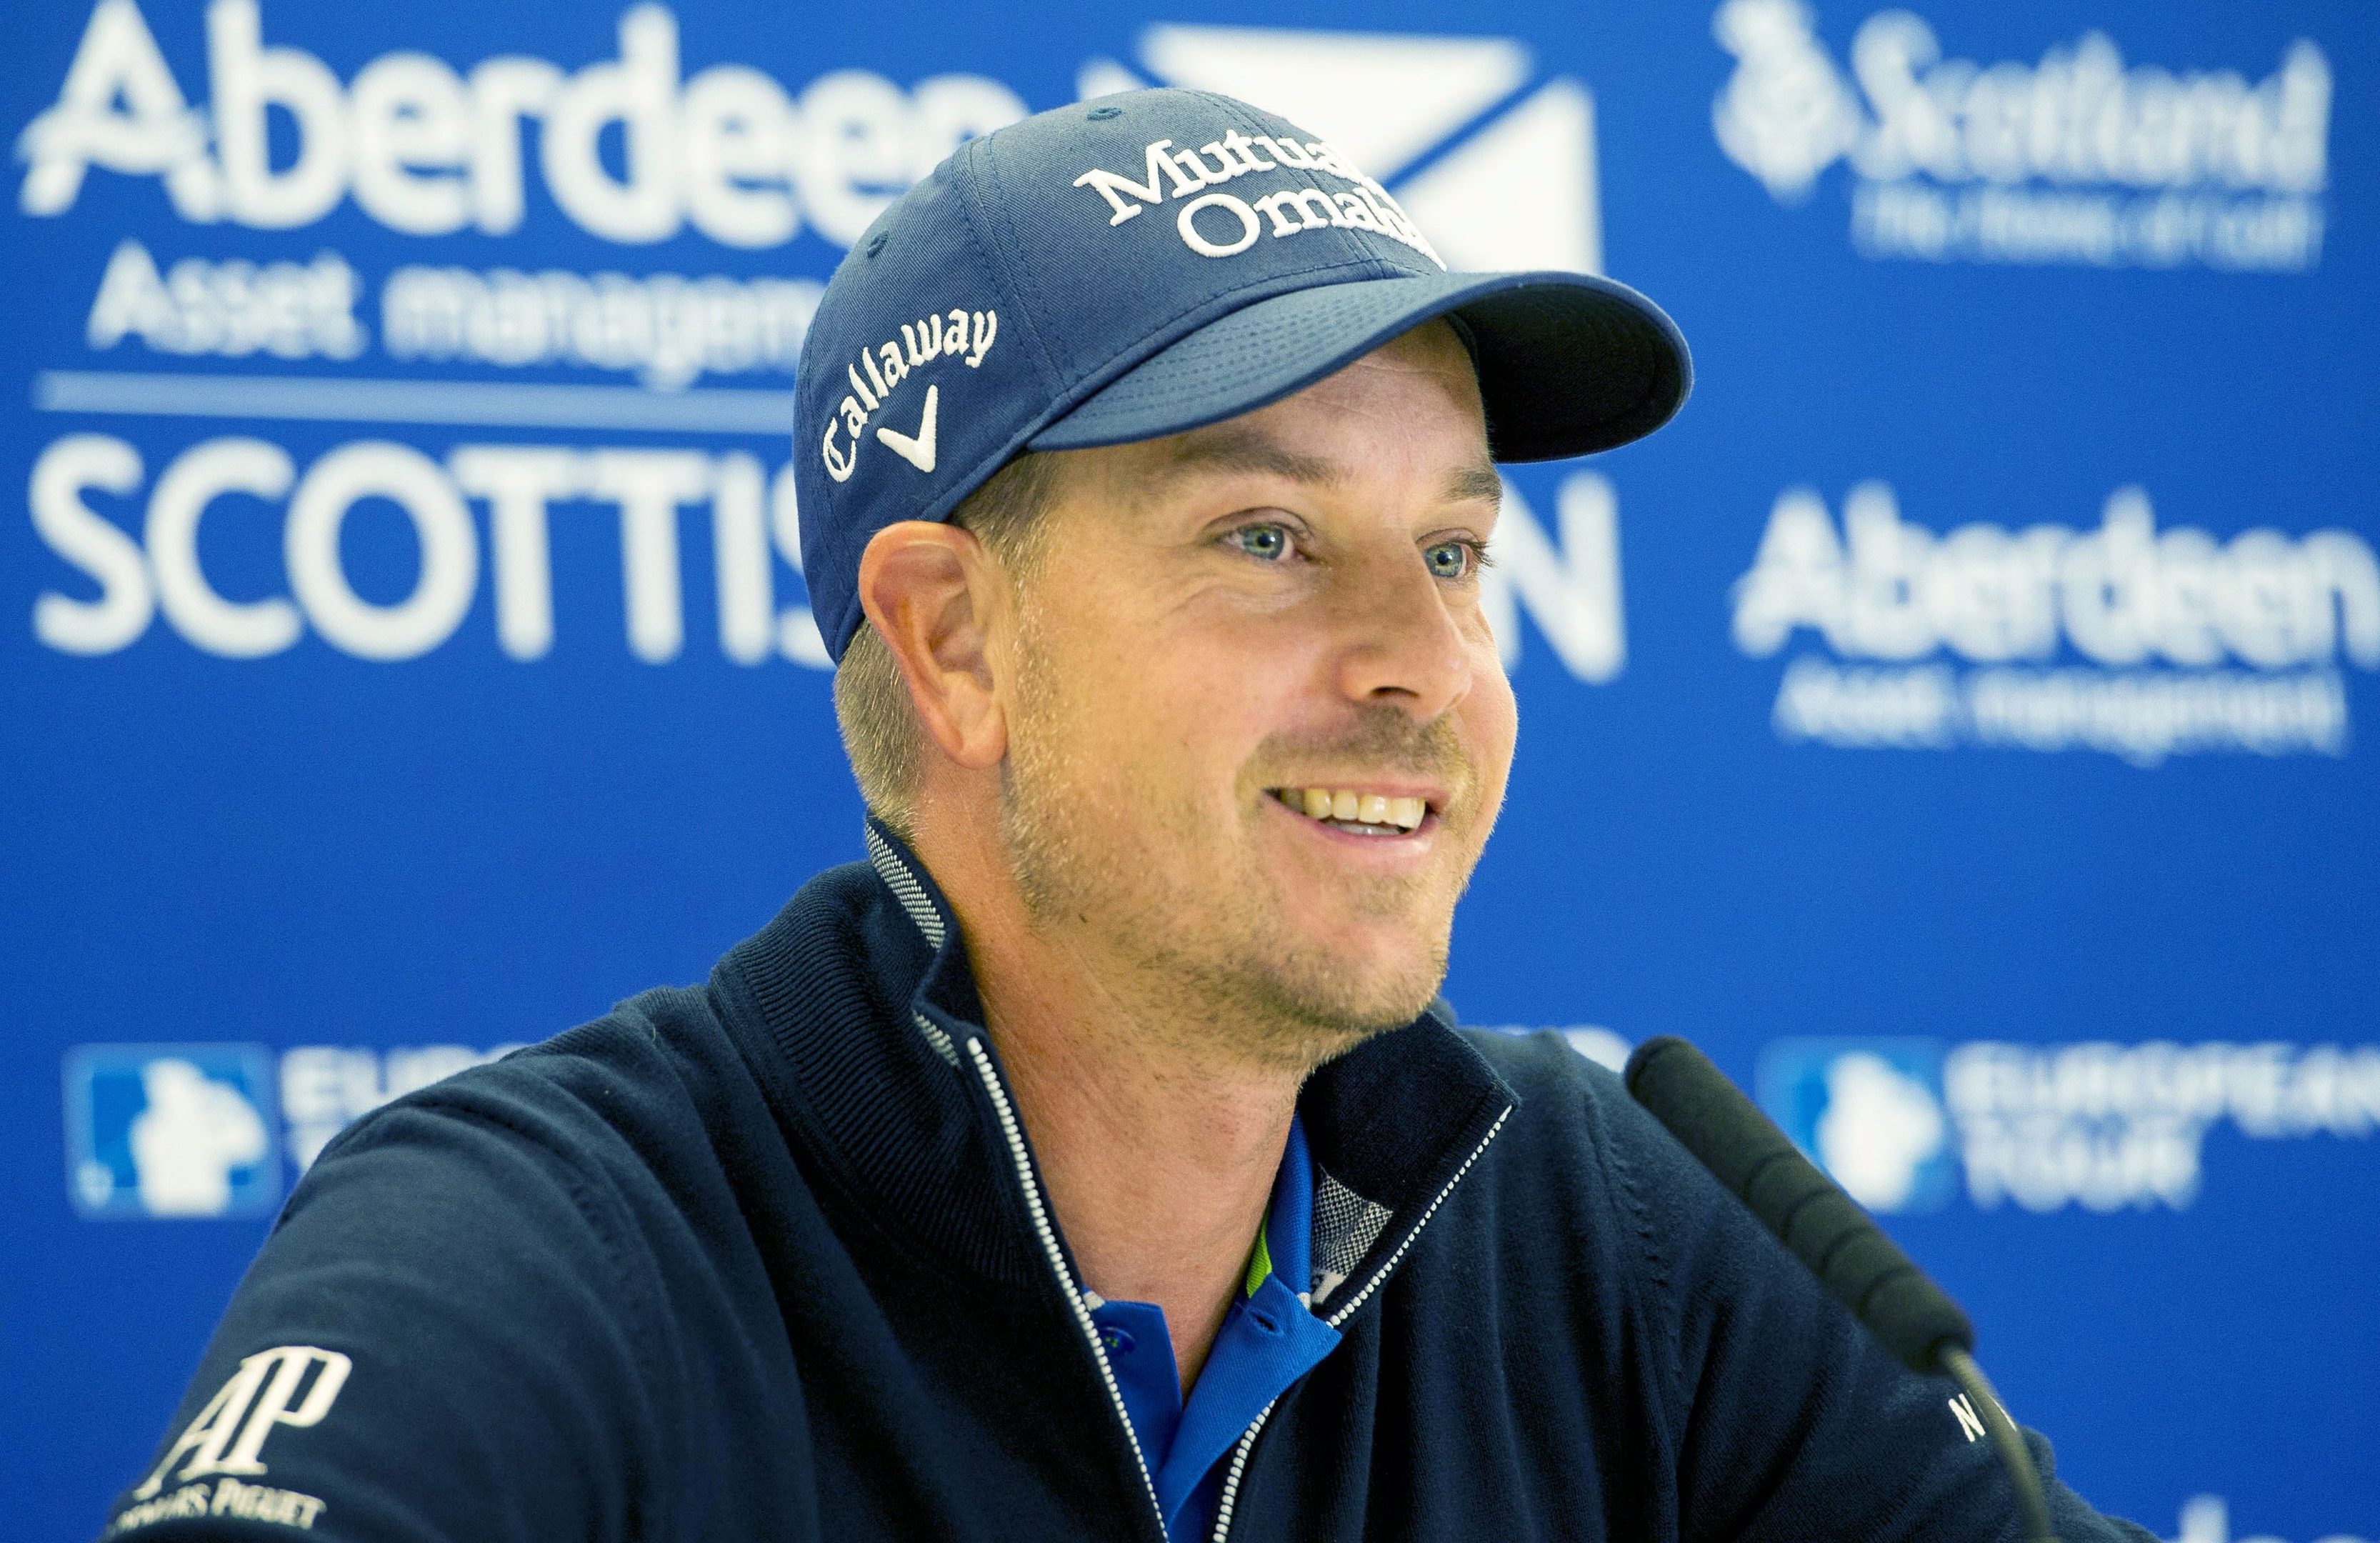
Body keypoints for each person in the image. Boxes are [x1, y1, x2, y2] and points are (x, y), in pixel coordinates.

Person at [105, 89, 2153, 1543]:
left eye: (1452, 554)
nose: (1417, 666)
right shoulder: (543, 1247)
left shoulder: (1600, 1226)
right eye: (1269, 537)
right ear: (952, 640)